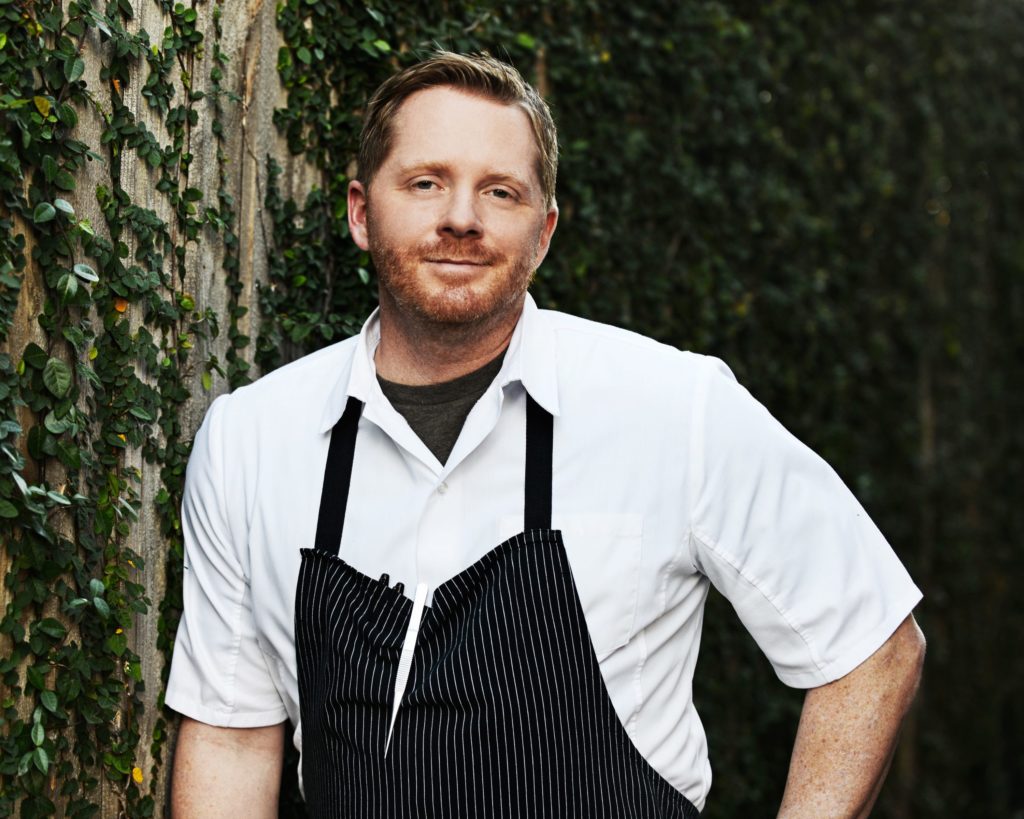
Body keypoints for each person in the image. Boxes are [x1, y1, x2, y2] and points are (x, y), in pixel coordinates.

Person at [167, 51, 925, 817]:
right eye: (426, 182)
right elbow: (231, 735)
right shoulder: (253, 441)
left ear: (545, 231)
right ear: (362, 213)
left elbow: (872, 645)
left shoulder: (672, 407)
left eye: (500, 192)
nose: (462, 217)